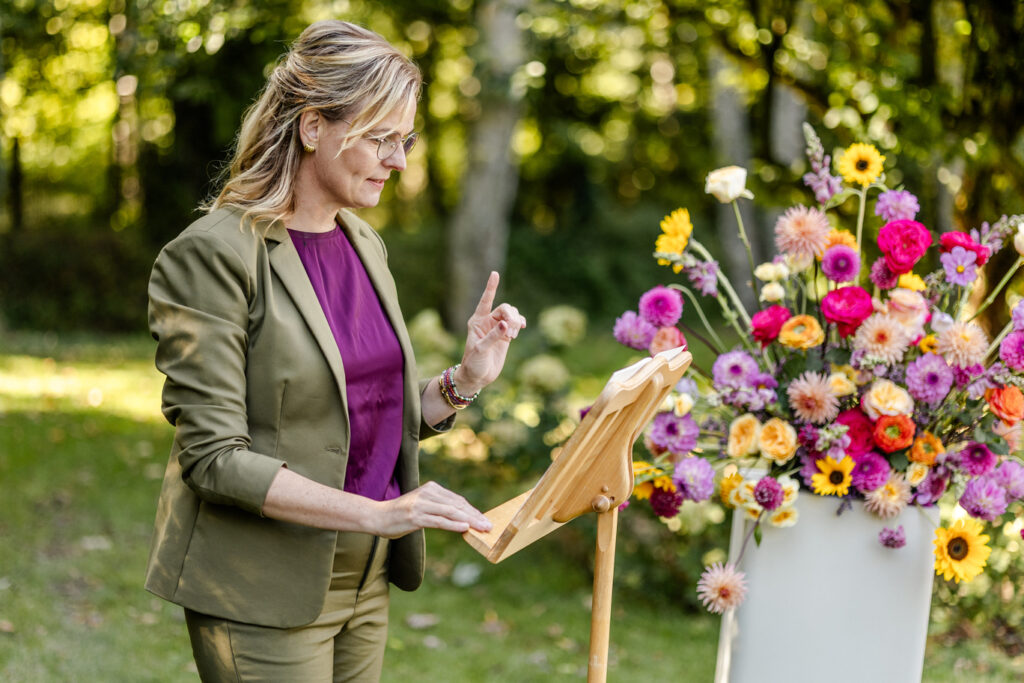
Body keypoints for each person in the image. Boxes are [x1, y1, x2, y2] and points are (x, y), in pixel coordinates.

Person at [144, 19, 526, 682]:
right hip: (262, 589)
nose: (399, 161)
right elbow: (214, 459)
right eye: (381, 138)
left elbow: (361, 412)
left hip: (366, 580)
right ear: (313, 127)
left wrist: (464, 380)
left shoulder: (362, 241)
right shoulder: (211, 255)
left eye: (405, 140)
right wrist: (382, 513)